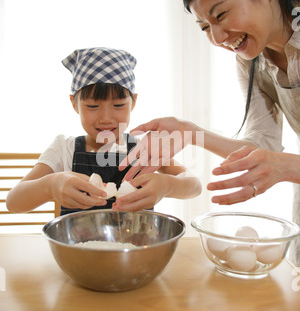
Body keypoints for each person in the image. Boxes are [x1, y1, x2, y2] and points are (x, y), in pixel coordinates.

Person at [119, 0, 300, 262]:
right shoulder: (252, 61)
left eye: (220, 15)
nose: (217, 37)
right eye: (204, 27)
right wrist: (191, 133)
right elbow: (263, 149)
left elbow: (280, 163)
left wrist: (287, 168)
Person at [6, 47, 202, 215]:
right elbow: (13, 202)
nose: (106, 118)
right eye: (93, 106)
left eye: (118, 105)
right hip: (79, 254)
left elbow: (194, 186)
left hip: (135, 252)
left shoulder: (144, 149)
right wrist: (50, 185)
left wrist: (167, 185)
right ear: (74, 104)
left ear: (133, 102)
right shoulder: (63, 149)